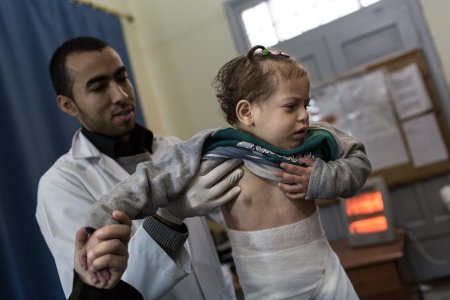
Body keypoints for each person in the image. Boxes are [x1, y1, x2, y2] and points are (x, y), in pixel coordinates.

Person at [83, 45, 372, 299]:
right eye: (291, 106)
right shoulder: (217, 150)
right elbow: (152, 180)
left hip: (327, 274)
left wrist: (324, 178)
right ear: (247, 113)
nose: (304, 115)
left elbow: (357, 160)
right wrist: (101, 221)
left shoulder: (314, 140)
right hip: (269, 288)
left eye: (305, 104)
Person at [35, 36, 245, 300]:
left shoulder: (172, 148)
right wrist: (170, 217)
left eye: (122, 78)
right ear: (68, 105)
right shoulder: (61, 185)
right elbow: (95, 290)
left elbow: (236, 209)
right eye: (99, 87)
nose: (121, 95)